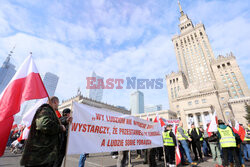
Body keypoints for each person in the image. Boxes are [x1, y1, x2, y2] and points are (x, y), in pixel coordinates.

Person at [20, 96, 66, 167]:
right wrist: (60, 128)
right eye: (58, 103)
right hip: (40, 157)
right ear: (55, 102)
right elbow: (44, 125)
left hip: (44, 155)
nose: (58, 105)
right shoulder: (45, 109)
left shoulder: (49, 111)